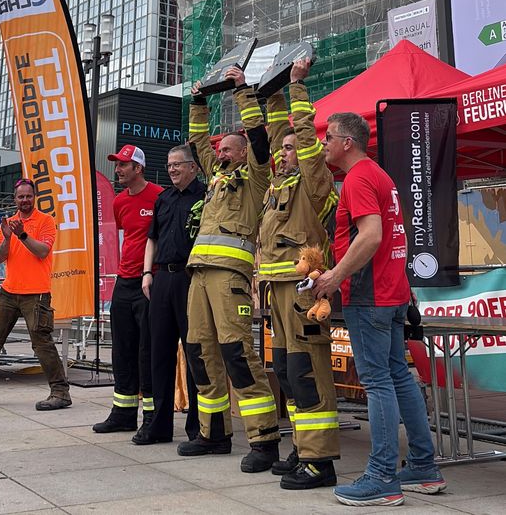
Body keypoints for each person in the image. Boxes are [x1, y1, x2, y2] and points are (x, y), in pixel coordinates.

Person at [313, 112, 446, 507]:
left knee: (378, 382)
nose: (324, 145)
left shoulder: (357, 179)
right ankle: (422, 465)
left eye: (328, 138)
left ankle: (382, 476)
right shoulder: (381, 176)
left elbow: (370, 236)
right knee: (397, 377)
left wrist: (335, 275)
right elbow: (392, 237)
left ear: (347, 142)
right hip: (390, 293)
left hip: (370, 295)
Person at [178, 66, 281, 473]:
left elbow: (259, 135)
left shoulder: (257, 176)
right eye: (220, 149)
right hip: (199, 273)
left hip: (230, 278)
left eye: (229, 148)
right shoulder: (217, 178)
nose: (220, 152)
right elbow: (197, 140)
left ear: (244, 153)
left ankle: (264, 439)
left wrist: (242, 91)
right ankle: (213, 433)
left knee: (238, 354)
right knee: (200, 353)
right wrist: (199, 100)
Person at [259, 57, 340, 490]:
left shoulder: (315, 182)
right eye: (284, 148)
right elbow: (277, 138)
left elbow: (305, 142)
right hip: (278, 293)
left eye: (291, 148)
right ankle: (303, 447)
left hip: (304, 295)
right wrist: (270, 92)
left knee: (309, 372)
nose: (285, 152)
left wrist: (296, 90)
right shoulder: (279, 187)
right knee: (289, 373)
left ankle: (320, 459)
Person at [0, 178, 71, 411]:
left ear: (34, 197)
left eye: (28, 196)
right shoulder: (8, 223)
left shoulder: (46, 221)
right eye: (21, 197)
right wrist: (8, 237)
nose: (25, 200)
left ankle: (60, 392)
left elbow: (43, 251)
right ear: (14, 198)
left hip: (36, 294)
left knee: (42, 344)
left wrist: (23, 235)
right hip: (9, 292)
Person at [93, 144, 163, 440]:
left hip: (151, 282)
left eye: (123, 165)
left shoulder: (160, 196)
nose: (118, 170)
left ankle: (150, 418)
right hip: (124, 281)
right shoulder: (119, 202)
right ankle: (122, 413)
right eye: (117, 164)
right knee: (121, 349)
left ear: (138, 168)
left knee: (146, 352)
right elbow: (126, 235)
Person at [138, 144, 204, 445]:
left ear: (193, 166)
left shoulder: (205, 197)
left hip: (192, 279)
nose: (172, 170)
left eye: (178, 164)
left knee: (195, 353)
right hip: (162, 278)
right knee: (159, 352)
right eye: (169, 165)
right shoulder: (162, 199)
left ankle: (197, 428)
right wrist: (147, 273)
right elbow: (152, 238)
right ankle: (158, 425)